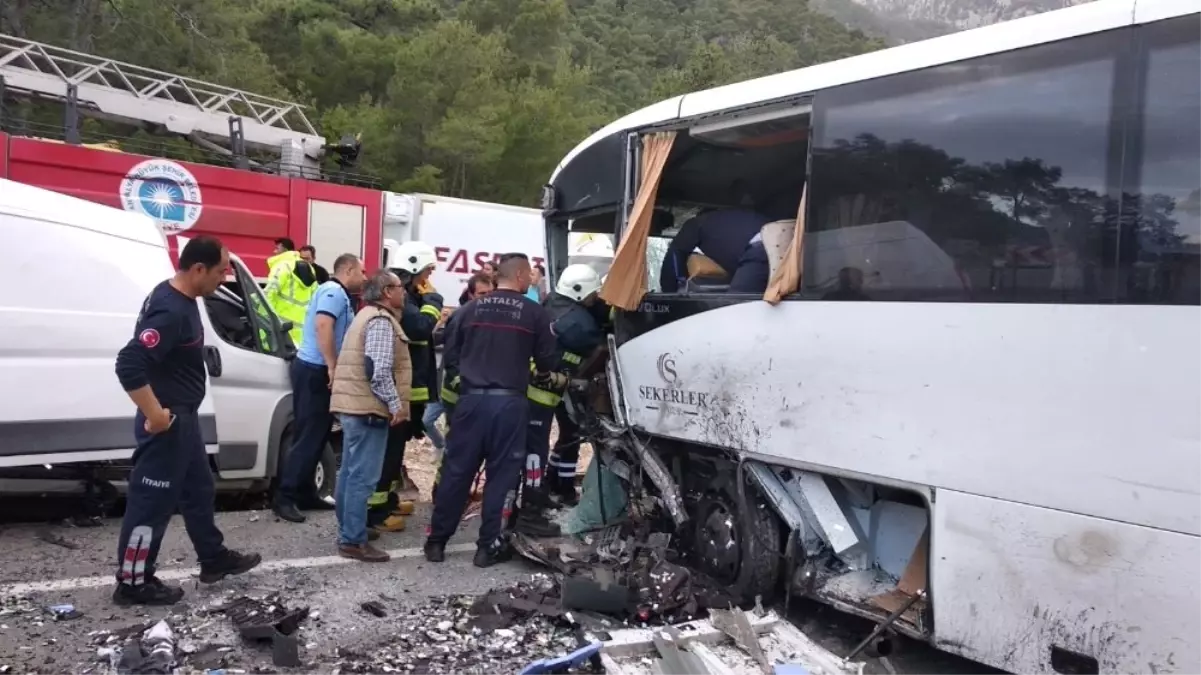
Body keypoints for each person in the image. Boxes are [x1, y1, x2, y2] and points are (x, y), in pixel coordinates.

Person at [112, 236, 261, 606]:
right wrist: (155, 415)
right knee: (151, 503)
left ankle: (213, 559)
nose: (225, 278)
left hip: (186, 419)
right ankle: (132, 583)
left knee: (198, 491)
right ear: (198, 269)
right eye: (221, 270)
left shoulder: (181, 297)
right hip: (169, 421)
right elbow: (129, 363)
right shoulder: (171, 310)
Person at [425, 253, 558, 568]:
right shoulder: (535, 314)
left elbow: (451, 356)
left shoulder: (468, 310)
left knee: (456, 473)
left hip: (470, 402)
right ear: (521, 274)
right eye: (529, 275)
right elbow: (548, 363)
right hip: (509, 403)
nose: (531, 280)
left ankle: (436, 542)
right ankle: (487, 548)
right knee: (501, 477)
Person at [274, 253, 367, 524]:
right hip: (315, 370)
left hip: (315, 369)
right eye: (361, 271)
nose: (364, 277)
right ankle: (285, 496)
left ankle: (304, 492)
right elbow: (323, 325)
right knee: (309, 435)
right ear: (348, 270)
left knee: (317, 433)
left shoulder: (337, 293)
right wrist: (331, 365)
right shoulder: (333, 292)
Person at [330, 270, 413, 562]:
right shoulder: (380, 321)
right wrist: (395, 405)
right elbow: (378, 372)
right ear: (387, 292)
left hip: (355, 405)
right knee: (362, 477)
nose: (404, 292)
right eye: (400, 288)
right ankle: (352, 539)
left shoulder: (366, 315)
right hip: (368, 408)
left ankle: (350, 529)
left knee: (350, 473)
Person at [369, 241, 444, 532]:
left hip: (409, 390)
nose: (428, 279)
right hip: (399, 393)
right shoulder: (407, 303)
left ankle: (387, 498)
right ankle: (377, 510)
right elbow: (421, 328)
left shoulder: (409, 297)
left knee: (396, 450)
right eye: (426, 272)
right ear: (413, 269)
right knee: (388, 452)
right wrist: (434, 301)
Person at [522, 264, 605, 518]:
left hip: (543, 386)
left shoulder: (550, 304)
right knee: (562, 438)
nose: (596, 298)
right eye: (593, 293)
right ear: (580, 292)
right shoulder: (580, 322)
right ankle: (551, 493)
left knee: (567, 434)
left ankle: (551, 484)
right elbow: (598, 345)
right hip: (549, 389)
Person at [428, 272, 494, 459]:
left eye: (491, 293)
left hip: (479, 390)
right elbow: (451, 355)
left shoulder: (492, 317)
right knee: (457, 442)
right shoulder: (461, 317)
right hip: (458, 391)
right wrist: (460, 383)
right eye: (482, 294)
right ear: (472, 295)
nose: (487, 298)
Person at [658, 185, 771, 293]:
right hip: (782, 244)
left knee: (734, 306)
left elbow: (675, 253)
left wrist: (671, 290)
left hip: (760, 250)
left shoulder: (697, 223)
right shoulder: (737, 222)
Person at [264, 238, 320, 347]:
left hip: (281, 330)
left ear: (284, 250)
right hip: (301, 333)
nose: (274, 252)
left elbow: (268, 294)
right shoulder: (309, 268)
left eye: (277, 248)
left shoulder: (281, 267)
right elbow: (315, 297)